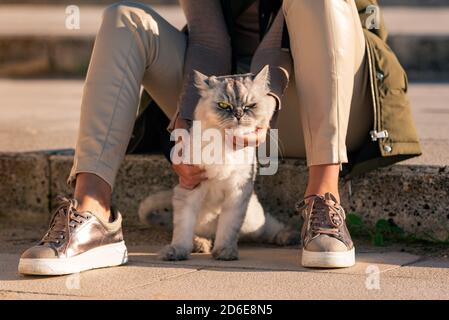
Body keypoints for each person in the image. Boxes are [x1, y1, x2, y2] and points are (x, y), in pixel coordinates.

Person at [18, 0, 421, 274]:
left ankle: (324, 205)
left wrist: (265, 105)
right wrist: (188, 124)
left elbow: (277, 48)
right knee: (125, 18)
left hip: (323, 103)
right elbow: (209, 39)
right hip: (227, 103)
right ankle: (93, 213)